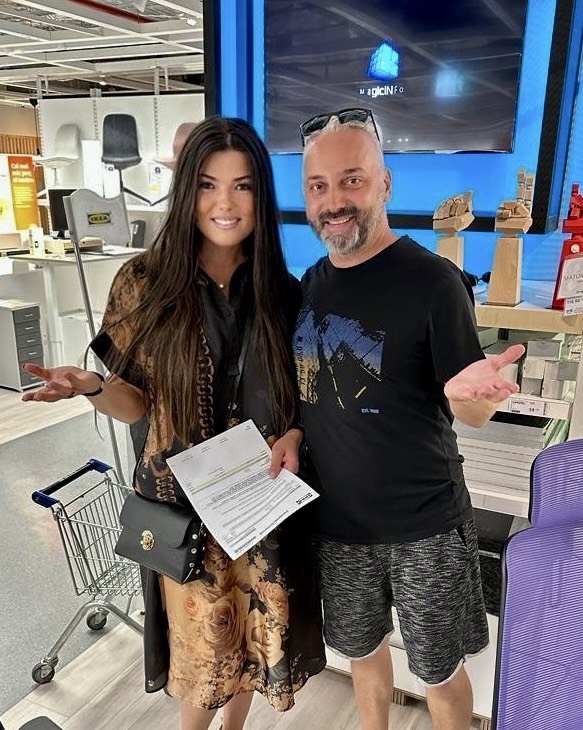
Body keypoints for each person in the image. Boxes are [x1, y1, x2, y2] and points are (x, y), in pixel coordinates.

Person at [23, 116, 326, 730]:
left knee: (251, 646)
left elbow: (298, 404)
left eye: (242, 186)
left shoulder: (282, 292)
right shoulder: (143, 284)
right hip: (184, 507)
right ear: (187, 190)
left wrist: (294, 433)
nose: (224, 204)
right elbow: (137, 405)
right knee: (202, 658)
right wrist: (93, 388)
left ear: (261, 196)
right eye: (208, 185)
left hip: (260, 504)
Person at [292, 107, 524, 730]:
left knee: (440, 674)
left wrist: (475, 394)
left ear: (385, 184)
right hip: (337, 526)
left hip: (425, 526)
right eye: (318, 186)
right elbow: (311, 397)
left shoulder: (434, 282)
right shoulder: (310, 284)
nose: (334, 202)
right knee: (363, 654)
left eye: (352, 180)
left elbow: (470, 411)